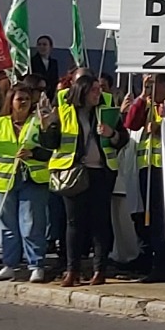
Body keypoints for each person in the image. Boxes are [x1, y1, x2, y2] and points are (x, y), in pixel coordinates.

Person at [49, 72, 130, 286]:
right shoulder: (64, 108)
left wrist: (112, 134)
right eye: (94, 90)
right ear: (82, 91)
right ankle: (71, 270)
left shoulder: (106, 108)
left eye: (99, 89)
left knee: (100, 223)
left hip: (101, 172)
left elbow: (123, 138)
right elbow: (51, 142)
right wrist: (47, 126)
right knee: (74, 223)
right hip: (73, 172)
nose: (98, 93)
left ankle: (99, 270)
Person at [0, 80, 56, 281]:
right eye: (19, 99)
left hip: (32, 178)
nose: (22, 102)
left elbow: (51, 148)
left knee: (32, 223)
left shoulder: (38, 121)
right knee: (7, 224)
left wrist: (34, 151)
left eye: (26, 99)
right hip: (3, 179)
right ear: (11, 101)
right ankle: (9, 264)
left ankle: (36, 264)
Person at [124, 74, 165, 283]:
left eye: (155, 84)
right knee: (153, 220)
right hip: (147, 167)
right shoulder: (147, 105)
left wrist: (161, 127)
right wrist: (141, 97)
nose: (151, 88)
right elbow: (131, 123)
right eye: (148, 84)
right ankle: (159, 264)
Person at [30, 37, 61, 102]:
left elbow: (55, 79)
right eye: (39, 44)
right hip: (37, 95)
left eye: (44, 44)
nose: (42, 47)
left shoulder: (54, 63)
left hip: (51, 96)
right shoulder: (31, 61)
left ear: (50, 47)